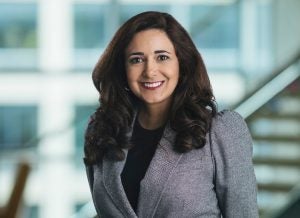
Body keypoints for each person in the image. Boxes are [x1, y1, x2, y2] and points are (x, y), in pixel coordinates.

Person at [83, 11, 259, 218]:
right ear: (123, 69)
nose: (150, 71)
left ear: (181, 63)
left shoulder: (220, 131)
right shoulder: (103, 129)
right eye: (136, 60)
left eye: (162, 57)